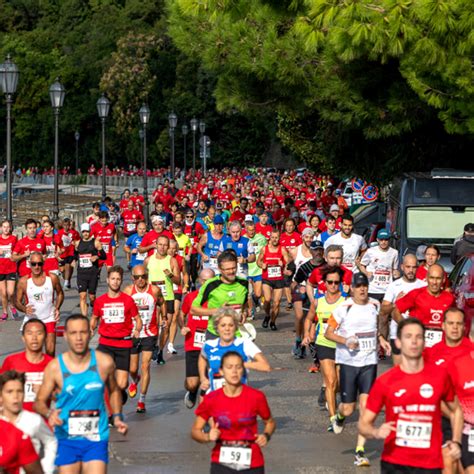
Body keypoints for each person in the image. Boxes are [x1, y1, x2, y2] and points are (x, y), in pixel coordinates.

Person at [359, 318, 463, 474]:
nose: (414, 341)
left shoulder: (440, 376)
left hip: (430, 463)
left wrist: (456, 441)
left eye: (418, 337)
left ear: (424, 342)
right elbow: (363, 424)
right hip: (395, 463)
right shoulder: (385, 382)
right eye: (408, 337)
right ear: (398, 343)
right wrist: (375, 432)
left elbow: (456, 411)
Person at [35, 314, 128, 474]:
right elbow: (39, 401)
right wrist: (49, 413)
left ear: (90, 333)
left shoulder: (104, 362)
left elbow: (114, 391)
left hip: (96, 437)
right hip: (66, 437)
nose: (78, 338)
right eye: (73, 333)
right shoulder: (55, 367)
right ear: (65, 335)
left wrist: (117, 415)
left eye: (83, 332)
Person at [325, 272, 391, 466]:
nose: (362, 289)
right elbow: (328, 333)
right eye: (359, 286)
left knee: (366, 407)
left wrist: (381, 340)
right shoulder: (343, 309)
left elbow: (375, 329)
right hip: (349, 363)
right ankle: (339, 417)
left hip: (369, 362)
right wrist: (346, 341)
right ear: (351, 288)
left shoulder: (374, 305)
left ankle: (359, 451)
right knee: (348, 407)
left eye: (365, 286)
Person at [192, 351, 276, 474]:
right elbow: (195, 430)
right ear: (221, 371)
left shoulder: (256, 397)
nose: (234, 371)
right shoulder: (212, 399)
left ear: (243, 370)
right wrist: (207, 436)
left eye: (238, 367)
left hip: (252, 462)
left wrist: (266, 435)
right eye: (229, 367)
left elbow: (270, 422)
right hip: (221, 462)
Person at [425, 307, 473, 474]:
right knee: (448, 461)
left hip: (469, 421)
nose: (454, 327)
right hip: (442, 419)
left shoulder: (471, 351)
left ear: (464, 327)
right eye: (451, 323)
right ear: (443, 326)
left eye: (459, 324)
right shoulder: (431, 354)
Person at [91, 266, 142, 399]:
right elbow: (94, 318)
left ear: (121, 281)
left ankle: (120, 391)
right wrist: (91, 329)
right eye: (113, 279)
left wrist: (137, 329)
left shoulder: (128, 300)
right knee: (102, 378)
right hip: (105, 343)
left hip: (123, 344)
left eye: (118, 279)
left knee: (122, 383)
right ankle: (110, 405)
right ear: (107, 280)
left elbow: (138, 319)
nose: (115, 281)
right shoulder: (100, 301)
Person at [303, 267, 346, 425]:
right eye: (330, 282)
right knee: (331, 381)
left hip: (342, 345)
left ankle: (332, 399)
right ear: (324, 283)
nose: (333, 285)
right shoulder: (318, 301)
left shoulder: (346, 301)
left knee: (340, 384)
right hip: (324, 343)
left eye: (336, 282)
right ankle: (333, 418)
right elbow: (309, 318)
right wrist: (307, 334)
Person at [199, 308, 271, 394]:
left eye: (231, 325)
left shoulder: (244, 343)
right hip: (215, 400)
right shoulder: (209, 345)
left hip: (238, 399)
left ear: (236, 327)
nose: (227, 329)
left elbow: (265, 366)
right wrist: (203, 378)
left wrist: (240, 365)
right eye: (223, 325)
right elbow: (202, 357)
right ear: (217, 328)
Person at [124, 264, 164, 413]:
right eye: (137, 277)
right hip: (133, 333)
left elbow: (162, 303)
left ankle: (141, 400)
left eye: (143, 277)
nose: (140, 280)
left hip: (150, 332)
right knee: (133, 369)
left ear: (147, 277)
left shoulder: (154, 290)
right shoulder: (128, 291)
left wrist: (164, 317)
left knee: (145, 365)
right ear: (132, 278)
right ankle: (135, 379)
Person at [0, 370, 57, 474]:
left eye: (20, 391)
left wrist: (46, 468)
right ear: (0, 396)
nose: (15, 396)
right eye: (9, 392)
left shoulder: (34, 420)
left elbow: (51, 442)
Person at [378, 254, 426, 365]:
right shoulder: (394, 286)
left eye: (414, 267)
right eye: (408, 267)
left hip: (417, 335)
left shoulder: (423, 286)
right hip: (397, 334)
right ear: (402, 267)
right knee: (399, 371)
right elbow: (383, 311)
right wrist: (396, 304)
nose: (411, 270)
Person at [394, 264, 455, 348]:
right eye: (431, 278)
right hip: (417, 345)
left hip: (441, 346)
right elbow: (395, 311)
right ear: (426, 278)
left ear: (443, 279)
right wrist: (406, 327)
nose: (434, 282)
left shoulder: (449, 298)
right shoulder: (416, 294)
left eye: (438, 278)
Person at [192, 250, 249, 339]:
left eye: (234, 268)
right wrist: (218, 311)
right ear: (219, 269)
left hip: (238, 335)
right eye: (227, 269)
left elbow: (245, 305)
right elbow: (193, 310)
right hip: (215, 335)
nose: (231, 272)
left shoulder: (244, 283)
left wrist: (244, 313)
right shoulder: (211, 284)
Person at [15, 253, 64, 356]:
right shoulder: (23, 281)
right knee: (34, 353)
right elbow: (17, 301)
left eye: (39, 264)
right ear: (29, 264)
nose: (37, 267)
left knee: (50, 352)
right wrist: (24, 309)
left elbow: (60, 293)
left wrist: (57, 308)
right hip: (32, 320)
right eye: (34, 264)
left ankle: (49, 370)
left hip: (49, 318)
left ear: (43, 263)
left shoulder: (52, 278)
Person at [1, 319, 53, 412]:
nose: (34, 337)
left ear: (45, 337)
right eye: (29, 333)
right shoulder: (11, 361)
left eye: (39, 333)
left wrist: (45, 392)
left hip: (43, 421)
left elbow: (64, 395)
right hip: (16, 422)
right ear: (23, 338)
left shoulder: (53, 365)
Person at [145, 235, 180, 364]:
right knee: (153, 325)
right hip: (153, 299)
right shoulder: (148, 260)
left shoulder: (172, 261)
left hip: (168, 297)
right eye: (160, 244)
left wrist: (170, 275)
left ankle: (159, 351)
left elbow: (178, 280)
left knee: (166, 326)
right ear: (156, 245)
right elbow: (142, 279)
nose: (162, 247)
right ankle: (153, 346)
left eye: (165, 245)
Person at [447, 318, 474, 474]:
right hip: (468, 432)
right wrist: (455, 441)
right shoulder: (457, 366)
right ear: (470, 338)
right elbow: (448, 405)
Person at [292, 240, 325, 362]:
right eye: (315, 250)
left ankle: (318, 355)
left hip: (324, 301)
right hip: (308, 301)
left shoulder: (327, 266)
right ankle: (299, 342)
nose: (318, 253)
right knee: (304, 321)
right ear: (311, 251)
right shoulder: (304, 267)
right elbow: (294, 283)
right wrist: (299, 288)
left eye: (320, 250)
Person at [257, 229, 289, 331]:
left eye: (276, 237)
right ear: (270, 238)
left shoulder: (282, 249)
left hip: (279, 279)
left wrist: (283, 264)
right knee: (267, 300)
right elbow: (258, 261)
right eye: (273, 237)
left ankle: (273, 321)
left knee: (277, 302)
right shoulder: (264, 249)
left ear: (279, 238)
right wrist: (262, 265)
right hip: (267, 278)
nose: (274, 239)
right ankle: (267, 314)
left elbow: (288, 263)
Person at [359, 228, 400, 302]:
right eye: (381, 240)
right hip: (373, 289)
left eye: (386, 240)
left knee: (385, 312)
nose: (383, 242)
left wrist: (396, 273)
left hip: (387, 289)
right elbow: (361, 265)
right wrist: (366, 273)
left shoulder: (394, 253)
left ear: (389, 240)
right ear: (377, 240)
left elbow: (395, 269)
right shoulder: (371, 251)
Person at [74, 223, 106, 316]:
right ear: (81, 232)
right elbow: (75, 256)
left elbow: (104, 256)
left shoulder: (95, 242)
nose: (85, 233)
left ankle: (93, 305)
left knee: (91, 296)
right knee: (82, 296)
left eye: (87, 231)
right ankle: (84, 317)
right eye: (83, 232)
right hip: (81, 274)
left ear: (90, 231)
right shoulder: (77, 243)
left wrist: (97, 257)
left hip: (92, 273)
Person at [243, 221, 267, 320]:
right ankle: (251, 311)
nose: (251, 232)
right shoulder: (243, 239)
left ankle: (256, 300)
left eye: (253, 230)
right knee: (248, 293)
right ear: (246, 230)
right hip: (247, 269)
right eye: (249, 230)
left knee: (257, 293)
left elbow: (266, 249)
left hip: (258, 269)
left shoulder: (261, 238)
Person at [0, 219, 17, 320]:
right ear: (1, 228)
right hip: (0, 268)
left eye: (8, 227)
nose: (6, 229)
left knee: (10, 292)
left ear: (10, 228)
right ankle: (5, 312)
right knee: (3, 293)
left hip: (11, 267)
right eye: (4, 227)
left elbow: (17, 251)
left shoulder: (14, 239)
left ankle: (12, 306)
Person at [57, 218, 80, 290]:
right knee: (64, 270)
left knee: (69, 266)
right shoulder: (60, 232)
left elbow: (78, 241)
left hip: (71, 252)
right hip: (63, 253)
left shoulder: (74, 232)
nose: (66, 227)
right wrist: (59, 251)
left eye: (68, 225)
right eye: (65, 225)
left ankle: (66, 283)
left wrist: (75, 244)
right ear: (62, 225)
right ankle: (67, 279)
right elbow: (57, 243)